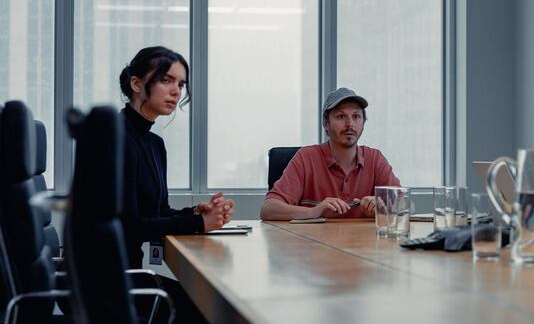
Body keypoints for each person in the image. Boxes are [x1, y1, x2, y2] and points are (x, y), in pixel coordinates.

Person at [119, 46, 234, 268]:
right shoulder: (115, 138)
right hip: (107, 283)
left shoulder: (154, 144)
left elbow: (158, 213)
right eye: (166, 80)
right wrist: (198, 223)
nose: (176, 91)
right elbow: (129, 226)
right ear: (136, 84)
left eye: (180, 84)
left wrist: (194, 213)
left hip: (131, 274)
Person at [260, 87, 401, 221]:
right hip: (314, 245)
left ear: (364, 122)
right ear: (326, 123)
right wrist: (314, 211)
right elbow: (268, 209)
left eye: (356, 116)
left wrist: (384, 208)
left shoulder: (375, 159)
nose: (349, 124)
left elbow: (406, 205)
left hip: (363, 245)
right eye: (341, 116)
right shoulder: (306, 158)